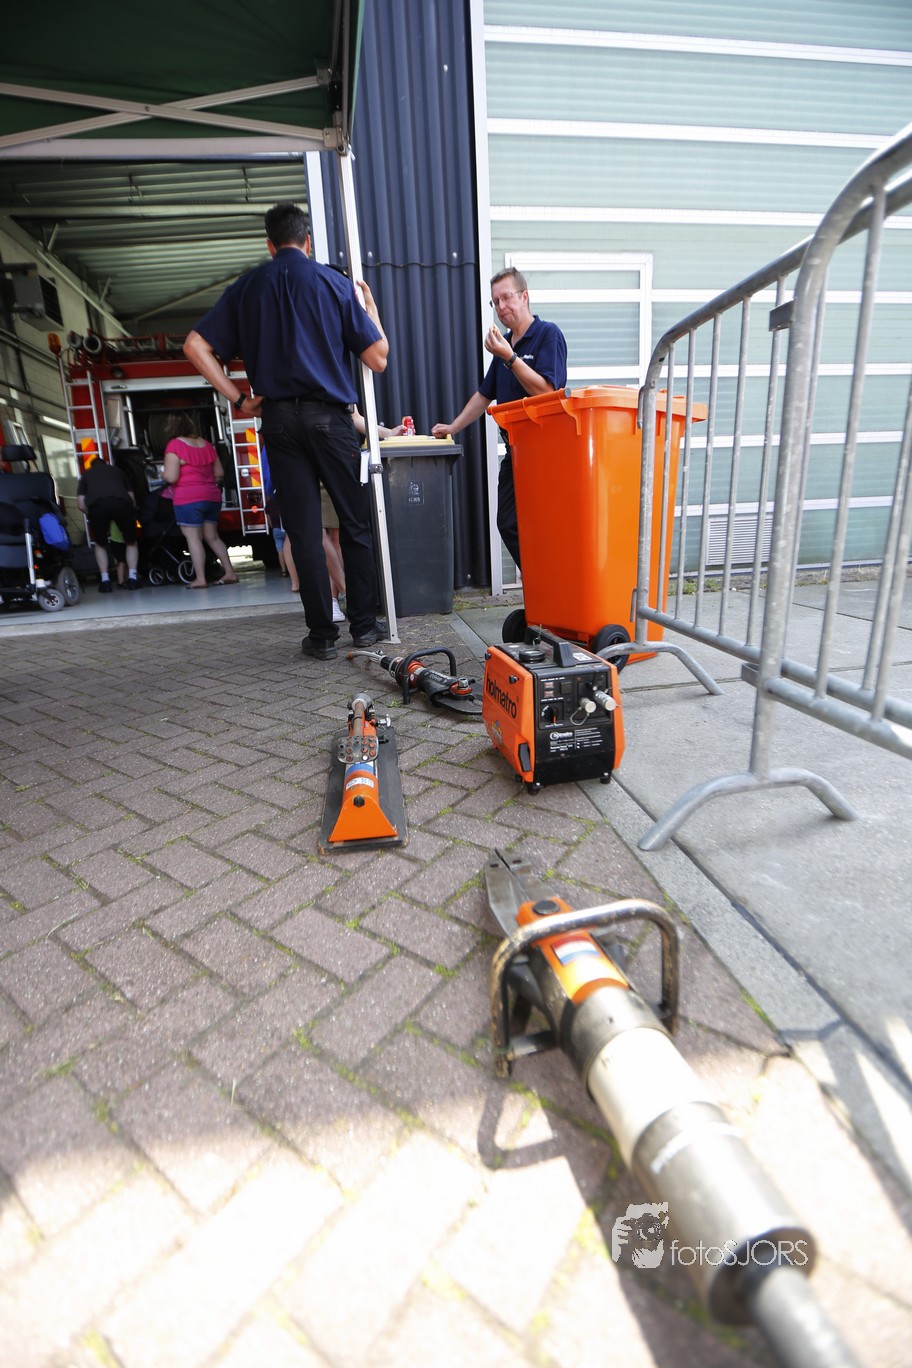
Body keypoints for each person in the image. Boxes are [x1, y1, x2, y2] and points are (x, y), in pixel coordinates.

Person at [183, 201, 389, 662]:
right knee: (354, 523)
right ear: (307, 241)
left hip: (278, 421)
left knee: (303, 530)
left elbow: (195, 346)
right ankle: (363, 627)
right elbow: (378, 358)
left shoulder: (246, 287)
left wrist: (238, 398)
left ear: (270, 245)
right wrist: (370, 310)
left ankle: (322, 636)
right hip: (330, 419)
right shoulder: (333, 284)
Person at [431, 267, 567, 569]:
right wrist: (453, 426)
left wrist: (510, 357)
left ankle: (552, 582)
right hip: (515, 449)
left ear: (524, 297)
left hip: (544, 449)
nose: (501, 307)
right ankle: (541, 582)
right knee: (507, 522)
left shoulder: (548, 335)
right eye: (496, 302)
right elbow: (484, 394)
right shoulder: (505, 345)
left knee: (543, 522)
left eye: (507, 298)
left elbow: (547, 391)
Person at [162, 413, 239, 589]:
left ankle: (201, 579)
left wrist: (163, 474)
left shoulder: (174, 445)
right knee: (212, 537)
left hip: (188, 499)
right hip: (211, 497)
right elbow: (219, 473)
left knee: (194, 539)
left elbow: (171, 477)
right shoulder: (206, 444)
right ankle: (230, 573)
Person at [75, 453, 141, 592]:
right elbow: (132, 498)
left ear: (91, 466)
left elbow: (80, 504)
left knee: (100, 544)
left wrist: (91, 514)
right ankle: (133, 579)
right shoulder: (118, 471)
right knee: (131, 542)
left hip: (98, 507)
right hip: (122, 504)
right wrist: (131, 511)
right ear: (106, 464)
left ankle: (105, 582)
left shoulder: (86, 475)